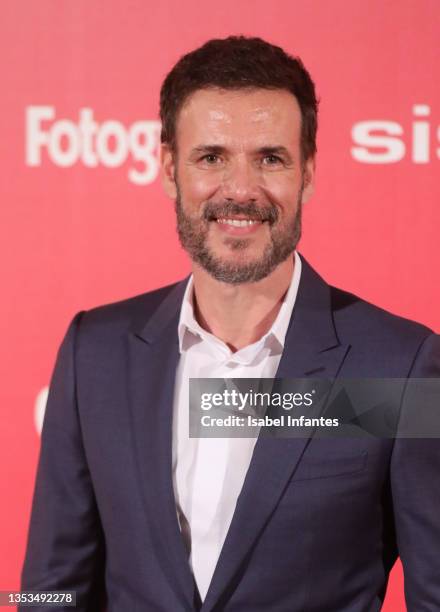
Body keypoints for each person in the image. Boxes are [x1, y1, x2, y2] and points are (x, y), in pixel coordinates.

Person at [21, 36, 440, 611]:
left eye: (270, 158)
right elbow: (49, 592)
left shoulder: (399, 367)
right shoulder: (94, 353)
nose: (240, 190)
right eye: (211, 156)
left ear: (308, 173)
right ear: (170, 169)